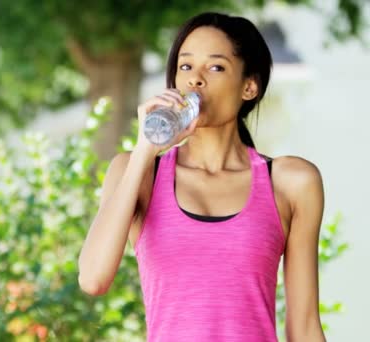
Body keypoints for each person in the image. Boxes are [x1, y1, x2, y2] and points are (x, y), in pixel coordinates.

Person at [77, 12, 326, 342]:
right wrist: (144, 150)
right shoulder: (136, 171)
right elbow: (93, 279)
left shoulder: (291, 182)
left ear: (249, 86)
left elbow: (305, 327)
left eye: (216, 67)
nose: (195, 79)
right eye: (185, 66)